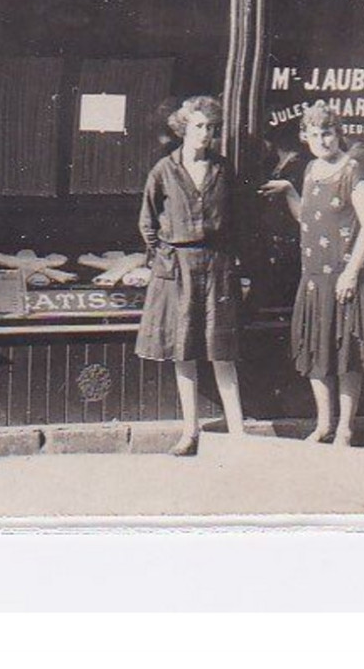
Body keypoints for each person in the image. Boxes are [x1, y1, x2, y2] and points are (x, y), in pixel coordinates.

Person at [135, 96, 248, 457]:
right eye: (200, 126)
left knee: (222, 352)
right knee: (183, 352)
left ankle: (239, 435)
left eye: (212, 128)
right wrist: (166, 257)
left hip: (217, 265)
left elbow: (241, 218)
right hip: (178, 267)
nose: (206, 134)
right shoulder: (164, 171)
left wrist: (235, 264)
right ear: (184, 127)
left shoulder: (223, 169)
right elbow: (148, 222)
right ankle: (190, 432)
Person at [260, 104, 364, 446]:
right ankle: (324, 424)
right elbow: (308, 219)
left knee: (345, 356)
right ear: (306, 138)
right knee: (318, 353)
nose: (322, 140)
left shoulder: (352, 170)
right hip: (313, 278)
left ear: (338, 133)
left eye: (327, 133)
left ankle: (345, 427)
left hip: (342, 277)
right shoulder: (311, 169)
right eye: (314, 135)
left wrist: (352, 273)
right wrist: (290, 192)